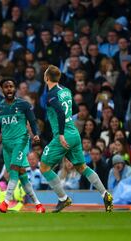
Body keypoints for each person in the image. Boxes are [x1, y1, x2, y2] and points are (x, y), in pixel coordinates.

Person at [39, 65, 113, 213]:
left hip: (63, 135)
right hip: (74, 133)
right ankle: (105, 194)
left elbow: (60, 112)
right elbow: (75, 109)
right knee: (82, 167)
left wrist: (60, 134)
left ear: (46, 78)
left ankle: (63, 199)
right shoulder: (66, 91)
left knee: (44, 167)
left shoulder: (51, 94)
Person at [0, 77, 45, 213]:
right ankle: (39, 205)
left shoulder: (24, 105)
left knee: (14, 169)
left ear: (15, 89)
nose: (9, 89)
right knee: (21, 175)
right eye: (6, 87)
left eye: (11, 86)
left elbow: (32, 121)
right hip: (6, 145)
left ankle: (5, 203)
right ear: (2, 90)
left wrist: (36, 133)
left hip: (21, 141)